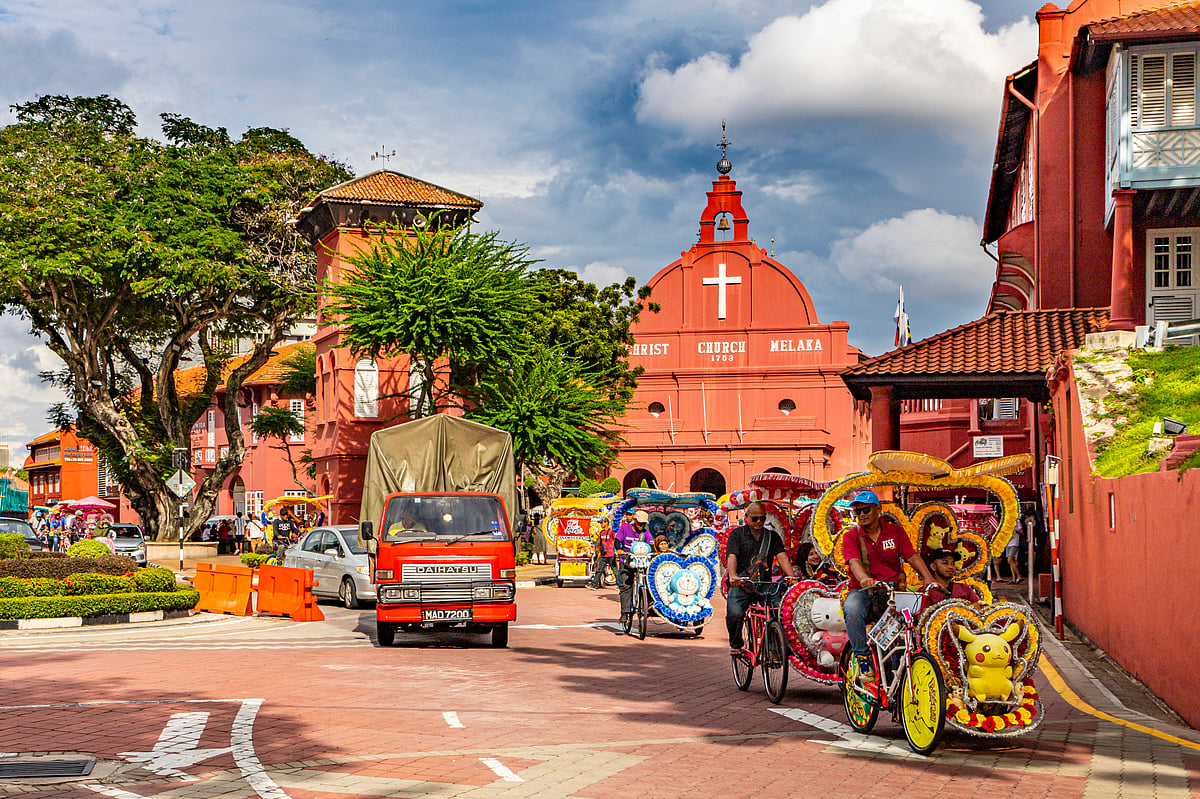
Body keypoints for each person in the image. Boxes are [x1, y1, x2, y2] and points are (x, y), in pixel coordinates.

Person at [841, 490, 935, 689]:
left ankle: (904, 668)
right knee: (852, 608)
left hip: (890, 591)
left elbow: (911, 556)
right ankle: (863, 659)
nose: (862, 515)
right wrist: (864, 579)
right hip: (863, 591)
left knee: (910, 621)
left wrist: (928, 577)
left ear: (878, 509)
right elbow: (854, 563)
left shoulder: (895, 532)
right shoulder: (851, 536)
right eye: (857, 512)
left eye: (866, 510)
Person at [726, 502, 798, 652]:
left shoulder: (772, 536)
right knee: (735, 614)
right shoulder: (736, 535)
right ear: (746, 518)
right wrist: (733, 576)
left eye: (762, 518)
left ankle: (775, 648)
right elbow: (731, 556)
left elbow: (782, 557)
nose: (759, 522)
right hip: (741, 584)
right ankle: (736, 644)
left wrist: (791, 576)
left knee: (780, 610)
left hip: (764, 584)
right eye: (755, 518)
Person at [615, 509, 654, 626]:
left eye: (643, 524)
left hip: (642, 563)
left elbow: (651, 545)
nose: (641, 526)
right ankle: (625, 612)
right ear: (634, 520)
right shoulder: (624, 528)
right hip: (627, 561)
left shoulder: (646, 533)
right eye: (639, 523)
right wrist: (619, 550)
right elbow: (617, 540)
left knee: (649, 583)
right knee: (626, 586)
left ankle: (647, 605)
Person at [918, 547, 982, 614]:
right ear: (933, 567)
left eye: (953, 564)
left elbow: (978, 613)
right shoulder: (925, 591)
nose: (951, 567)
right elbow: (922, 619)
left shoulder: (964, 588)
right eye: (945, 563)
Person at [589, 517, 617, 590]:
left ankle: (621, 585)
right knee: (599, 570)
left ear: (606, 523)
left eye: (602, 522)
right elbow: (600, 544)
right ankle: (594, 585)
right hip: (603, 554)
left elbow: (616, 540)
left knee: (615, 570)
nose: (601, 524)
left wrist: (616, 550)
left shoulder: (611, 532)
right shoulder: (601, 533)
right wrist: (598, 553)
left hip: (611, 554)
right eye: (600, 523)